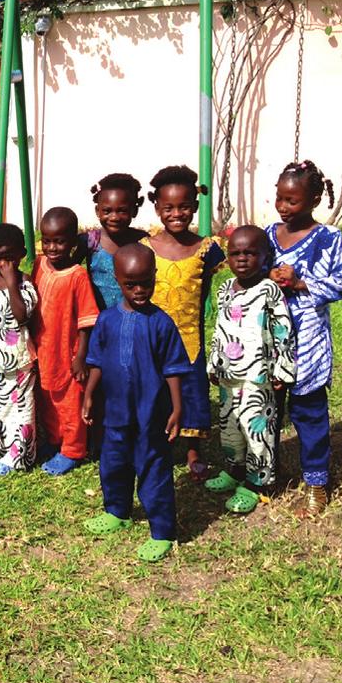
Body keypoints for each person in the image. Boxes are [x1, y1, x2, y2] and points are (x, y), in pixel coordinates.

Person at [81, 244, 192, 563]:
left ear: (155, 277)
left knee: (153, 468)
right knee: (112, 463)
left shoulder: (161, 323)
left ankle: (162, 531)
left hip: (150, 413)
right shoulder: (107, 320)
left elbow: (173, 368)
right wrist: (89, 394)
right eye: (131, 284)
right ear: (117, 280)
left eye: (146, 282)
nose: (140, 290)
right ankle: (117, 510)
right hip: (115, 412)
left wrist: (177, 407)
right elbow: (97, 361)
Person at [266, 160, 342, 517]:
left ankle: (316, 481)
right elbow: (249, 267)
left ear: (315, 199)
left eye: (293, 201)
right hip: (270, 339)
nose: (284, 207)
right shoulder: (268, 234)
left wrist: (301, 283)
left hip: (309, 341)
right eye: (279, 199)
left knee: (308, 411)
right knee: (269, 408)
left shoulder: (329, 238)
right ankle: (267, 472)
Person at [206, 226, 296, 514]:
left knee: (256, 429)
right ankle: (234, 470)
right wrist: (213, 362)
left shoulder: (269, 290)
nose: (242, 258)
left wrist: (282, 369)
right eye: (235, 253)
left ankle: (257, 483)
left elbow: (283, 329)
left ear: (265, 256)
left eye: (250, 253)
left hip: (258, 376)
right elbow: (219, 330)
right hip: (228, 374)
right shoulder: (224, 289)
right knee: (230, 427)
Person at [145, 166, 225, 481]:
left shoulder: (207, 248)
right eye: (169, 208)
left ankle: (193, 449)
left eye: (184, 207)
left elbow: (204, 288)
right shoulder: (146, 245)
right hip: (154, 334)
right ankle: (156, 442)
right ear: (157, 208)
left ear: (195, 206)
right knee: (153, 388)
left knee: (192, 389)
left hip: (189, 334)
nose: (177, 213)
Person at [32, 207, 99, 475]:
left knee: (69, 403)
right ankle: (54, 440)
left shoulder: (77, 276)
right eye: (47, 240)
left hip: (66, 351)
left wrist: (81, 357)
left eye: (59, 241)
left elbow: (87, 320)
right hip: (42, 348)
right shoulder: (39, 264)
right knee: (46, 399)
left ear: (73, 243)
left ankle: (72, 449)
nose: (52, 247)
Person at [0, 224, 38, 476]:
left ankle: (21, 457)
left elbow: (21, 316)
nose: (3, 264)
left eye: (9, 257)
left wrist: (12, 283)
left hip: (20, 359)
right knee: (3, 406)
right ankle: (6, 449)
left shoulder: (25, 283)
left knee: (22, 407)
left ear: (22, 254)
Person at [80, 173, 149, 310]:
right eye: (107, 211)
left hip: (135, 316)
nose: (114, 217)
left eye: (122, 211)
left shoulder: (142, 241)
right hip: (99, 318)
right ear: (97, 211)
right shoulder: (90, 241)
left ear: (133, 211)